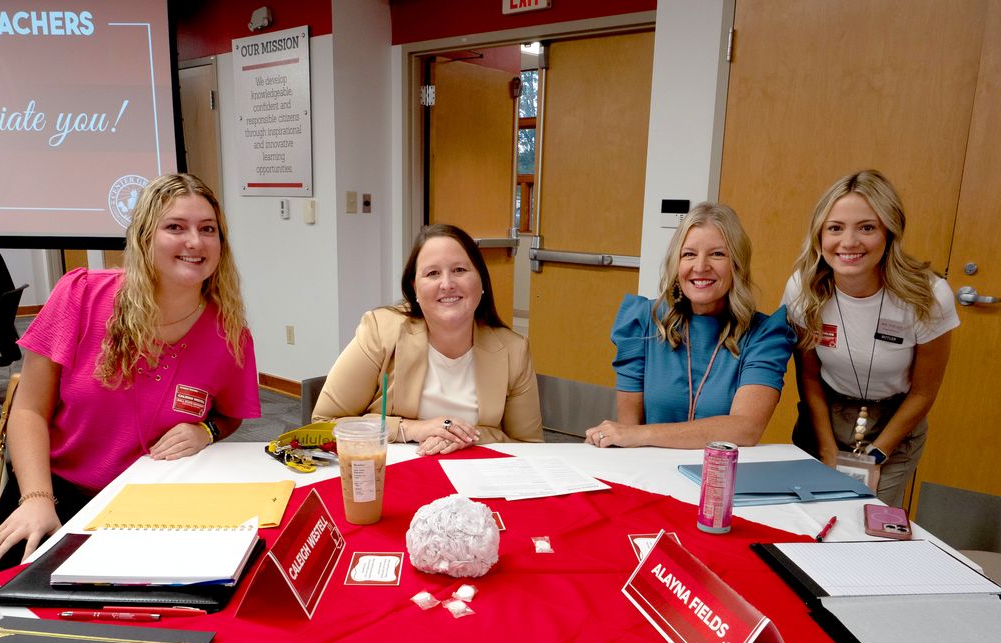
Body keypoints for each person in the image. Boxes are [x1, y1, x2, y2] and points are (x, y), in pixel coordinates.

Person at [0, 173, 260, 579]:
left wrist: (207, 432)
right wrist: (37, 499)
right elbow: (28, 411)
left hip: (150, 504)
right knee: (4, 614)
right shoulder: (82, 294)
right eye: (175, 227)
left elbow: (229, 414)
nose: (195, 242)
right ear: (145, 237)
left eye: (208, 230)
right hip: (53, 491)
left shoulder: (230, 334)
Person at [782, 169, 958, 508]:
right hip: (824, 416)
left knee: (866, 522)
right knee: (808, 517)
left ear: (889, 232)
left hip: (893, 423)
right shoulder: (803, 288)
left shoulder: (928, 295)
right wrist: (828, 450)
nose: (849, 243)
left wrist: (876, 456)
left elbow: (923, 392)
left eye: (867, 227)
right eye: (835, 228)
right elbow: (808, 377)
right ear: (819, 235)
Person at [313, 223, 543, 453]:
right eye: (432, 273)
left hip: (476, 479)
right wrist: (413, 429)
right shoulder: (380, 331)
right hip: (396, 474)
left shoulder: (514, 350)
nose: (447, 284)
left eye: (460, 270)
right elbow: (324, 423)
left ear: (481, 281)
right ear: (415, 289)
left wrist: (468, 435)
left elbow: (530, 447)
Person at [586, 202, 793, 448]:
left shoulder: (765, 335)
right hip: (650, 471)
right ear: (676, 263)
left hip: (722, 476)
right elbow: (628, 428)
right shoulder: (641, 321)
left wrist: (639, 435)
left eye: (717, 254)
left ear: (736, 264)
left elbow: (745, 429)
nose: (700, 267)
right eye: (689, 254)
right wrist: (630, 435)